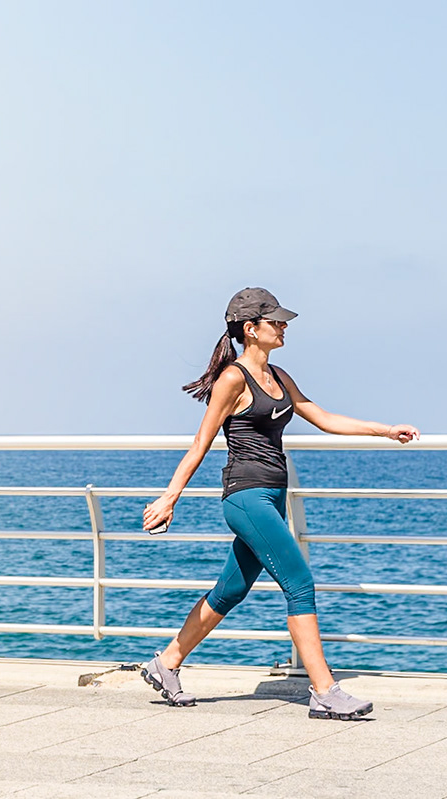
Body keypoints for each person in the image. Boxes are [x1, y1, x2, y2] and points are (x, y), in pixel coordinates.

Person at [138, 287, 419, 720]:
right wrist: (170, 496)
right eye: (276, 321)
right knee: (299, 582)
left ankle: (166, 663)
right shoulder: (234, 378)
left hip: (273, 494)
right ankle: (324, 692)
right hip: (246, 496)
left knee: (231, 589)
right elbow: (201, 441)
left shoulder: (280, 376)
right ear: (250, 330)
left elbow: (323, 417)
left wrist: (385, 430)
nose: (284, 327)